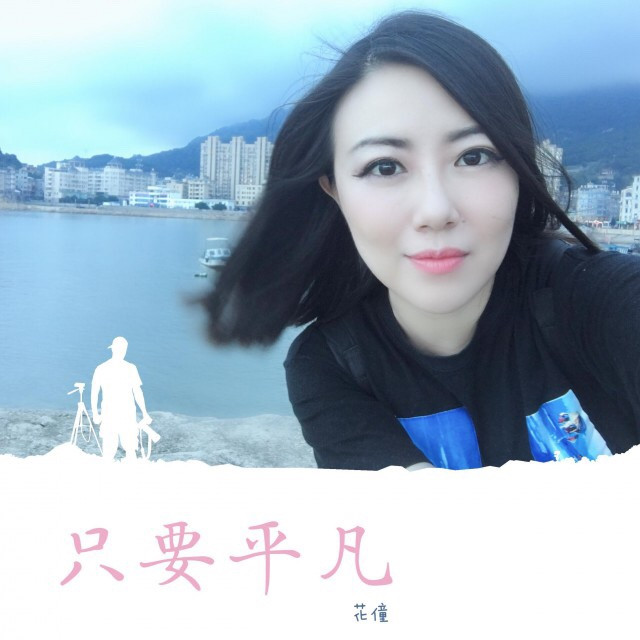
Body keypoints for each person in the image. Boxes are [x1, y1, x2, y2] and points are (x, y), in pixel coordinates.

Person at [200, 11, 640, 470]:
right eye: (385, 166)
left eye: (474, 156)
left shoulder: (602, 303)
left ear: (518, 169)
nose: (435, 210)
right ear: (334, 189)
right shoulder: (332, 366)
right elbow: (417, 515)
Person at [91, 336, 152, 461]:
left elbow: (94, 393)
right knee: (123, 449)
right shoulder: (129, 368)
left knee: (118, 449)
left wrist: (96, 414)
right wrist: (145, 413)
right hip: (121, 413)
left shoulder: (102, 368)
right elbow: (137, 392)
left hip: (116, 413)